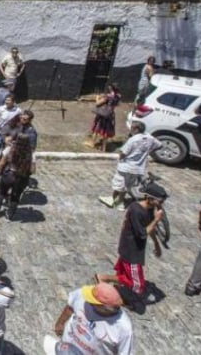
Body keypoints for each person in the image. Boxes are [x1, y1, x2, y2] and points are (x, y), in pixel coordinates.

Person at [95, 182, 168, 310]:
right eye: (159, 201)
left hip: (134, 249)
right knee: (137, 285)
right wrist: (156, 219)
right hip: (131, 251)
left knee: (126, 277)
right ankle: (115, 298)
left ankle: (103, 278)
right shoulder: (136, 210)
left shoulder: (150, 209)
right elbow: (143, 233)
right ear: (149, 198)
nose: (161, 204)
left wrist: (157, 244)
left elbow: (149, 228)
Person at [47, 283, 133, 355]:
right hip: (66, 348)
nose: (87, 300)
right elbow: (70, 306)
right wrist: (60, 323)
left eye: (92, 301)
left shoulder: (124, 328)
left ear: (105, 308)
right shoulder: (83, 294)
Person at [99, 122, 162, 210]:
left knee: (120, 184)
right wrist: (148, 151)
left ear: (136, 129)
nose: (130, 129)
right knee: (126, 185)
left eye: (132, 128)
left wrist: (121, 159)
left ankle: (118, 202)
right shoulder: (149, 138)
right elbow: (160, 145)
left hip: (126, 166)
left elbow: (123, 153)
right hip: (138, 168)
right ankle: (114, 199)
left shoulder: (133, 139)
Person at [0, 133, 35, 220]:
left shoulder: (10, 149)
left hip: (9, 175)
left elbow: (2, 163)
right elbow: (32, 170)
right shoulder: (31, 153)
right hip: (21, 178)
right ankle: (10, 215)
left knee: (1, 193)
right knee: (15, 197)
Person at [89, 84, 121, 152]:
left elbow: (98, 103)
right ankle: (104, 147)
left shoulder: (108, 96)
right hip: (110, 114)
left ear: (111, 88)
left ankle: (92, 143)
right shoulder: (118, 96)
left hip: (103, 114)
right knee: (105, 130)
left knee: (97, 128)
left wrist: (97, 98)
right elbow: (116, 104)